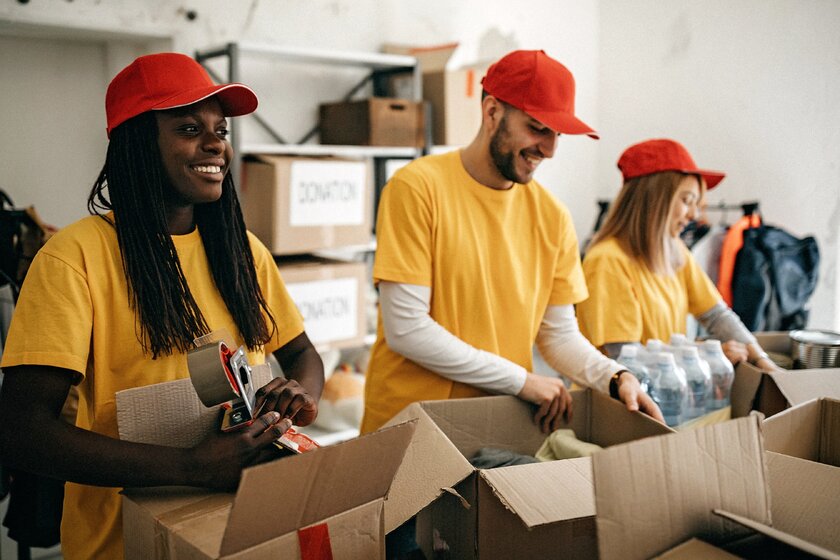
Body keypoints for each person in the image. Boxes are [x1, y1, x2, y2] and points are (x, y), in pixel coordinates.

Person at [0, 53, 324, 560]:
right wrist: (191, 467)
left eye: (220, 129)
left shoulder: (244, 252)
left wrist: (297, 395)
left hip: (241, 531)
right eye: (190, 127)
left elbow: (303, 352)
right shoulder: (74, 258)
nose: (216, 143)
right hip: (123, 543)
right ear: (136, 142)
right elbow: (23, 431)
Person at [361, 50, 663, 439]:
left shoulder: (552, 217)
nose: (550, 149)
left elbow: (558, 335)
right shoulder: (416, 188)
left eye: (557, 135)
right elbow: (407, 329)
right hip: (409, 424)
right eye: (538, 128)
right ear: (491, 113)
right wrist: (522, 381)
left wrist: (614, 376)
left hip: (496, 422)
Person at [576, 138, 776, 371]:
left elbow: (716, 315)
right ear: (653, 199)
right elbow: (624, 358)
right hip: (612, 403)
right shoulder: (608, 261)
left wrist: (763, 360)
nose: (694, 215)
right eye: (686, 201)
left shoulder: (674, 251)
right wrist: (707, 355)